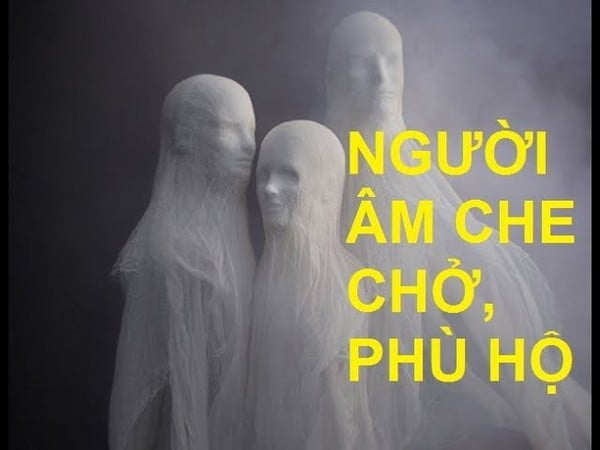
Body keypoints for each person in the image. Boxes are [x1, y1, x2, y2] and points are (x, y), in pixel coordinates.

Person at [324, 11, 590, 450]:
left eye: (392, 60)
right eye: (360, 61)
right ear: (333, 74)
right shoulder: (317, 166)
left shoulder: (418, 188)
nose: (382, 78)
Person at [109, 74, 257, 450]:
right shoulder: (176, 252)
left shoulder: (230, 241)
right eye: (230, 128)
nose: (249, 145)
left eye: (251, 130)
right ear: (185, 138)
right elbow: (176, 395)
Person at [246, 120, 376, 450]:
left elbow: (340, 419)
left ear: (326, 186)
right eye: (264, 174)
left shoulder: (340, 289)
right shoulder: (263, 276)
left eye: (289, 175)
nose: (270, 189)